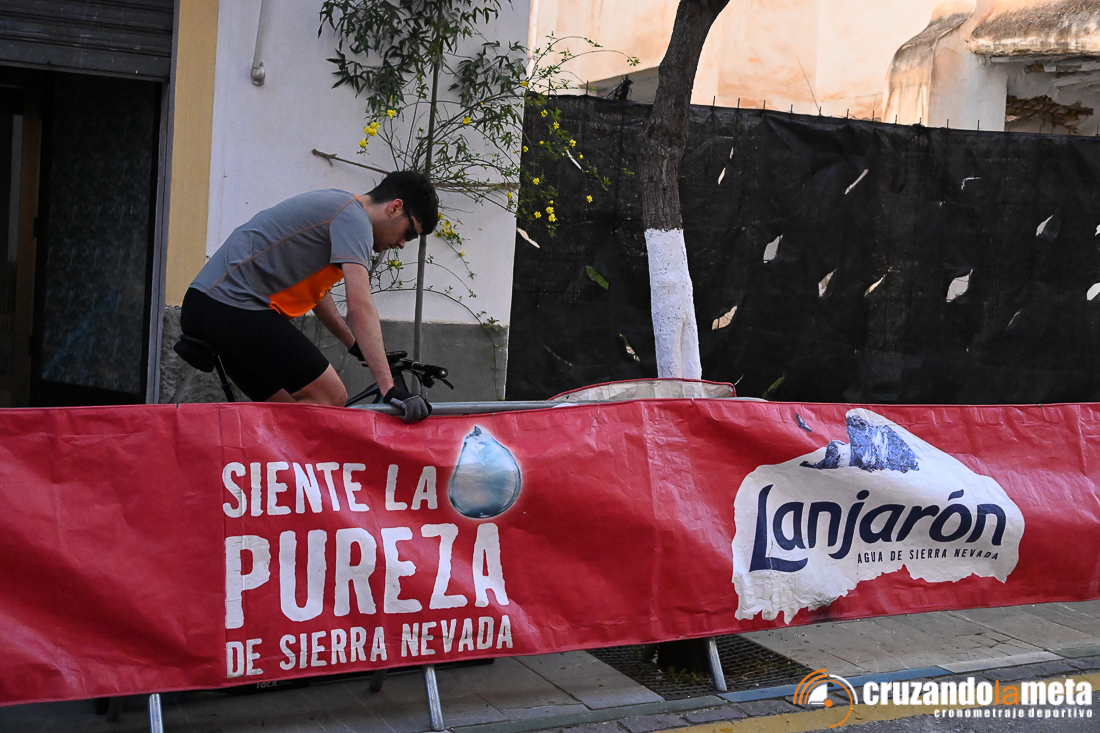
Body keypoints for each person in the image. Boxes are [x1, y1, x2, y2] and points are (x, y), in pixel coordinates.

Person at [180, 170, 438, 423]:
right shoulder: (354, 218)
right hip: (230, 306)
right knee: (330, 396)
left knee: (287, 417)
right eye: (410, 233)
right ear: (395, 207)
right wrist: (390, 389)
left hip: (208, 306)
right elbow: (360, 306)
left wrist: (354, 346)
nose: (403, 243)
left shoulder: (341, 208)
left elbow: (317, 295)